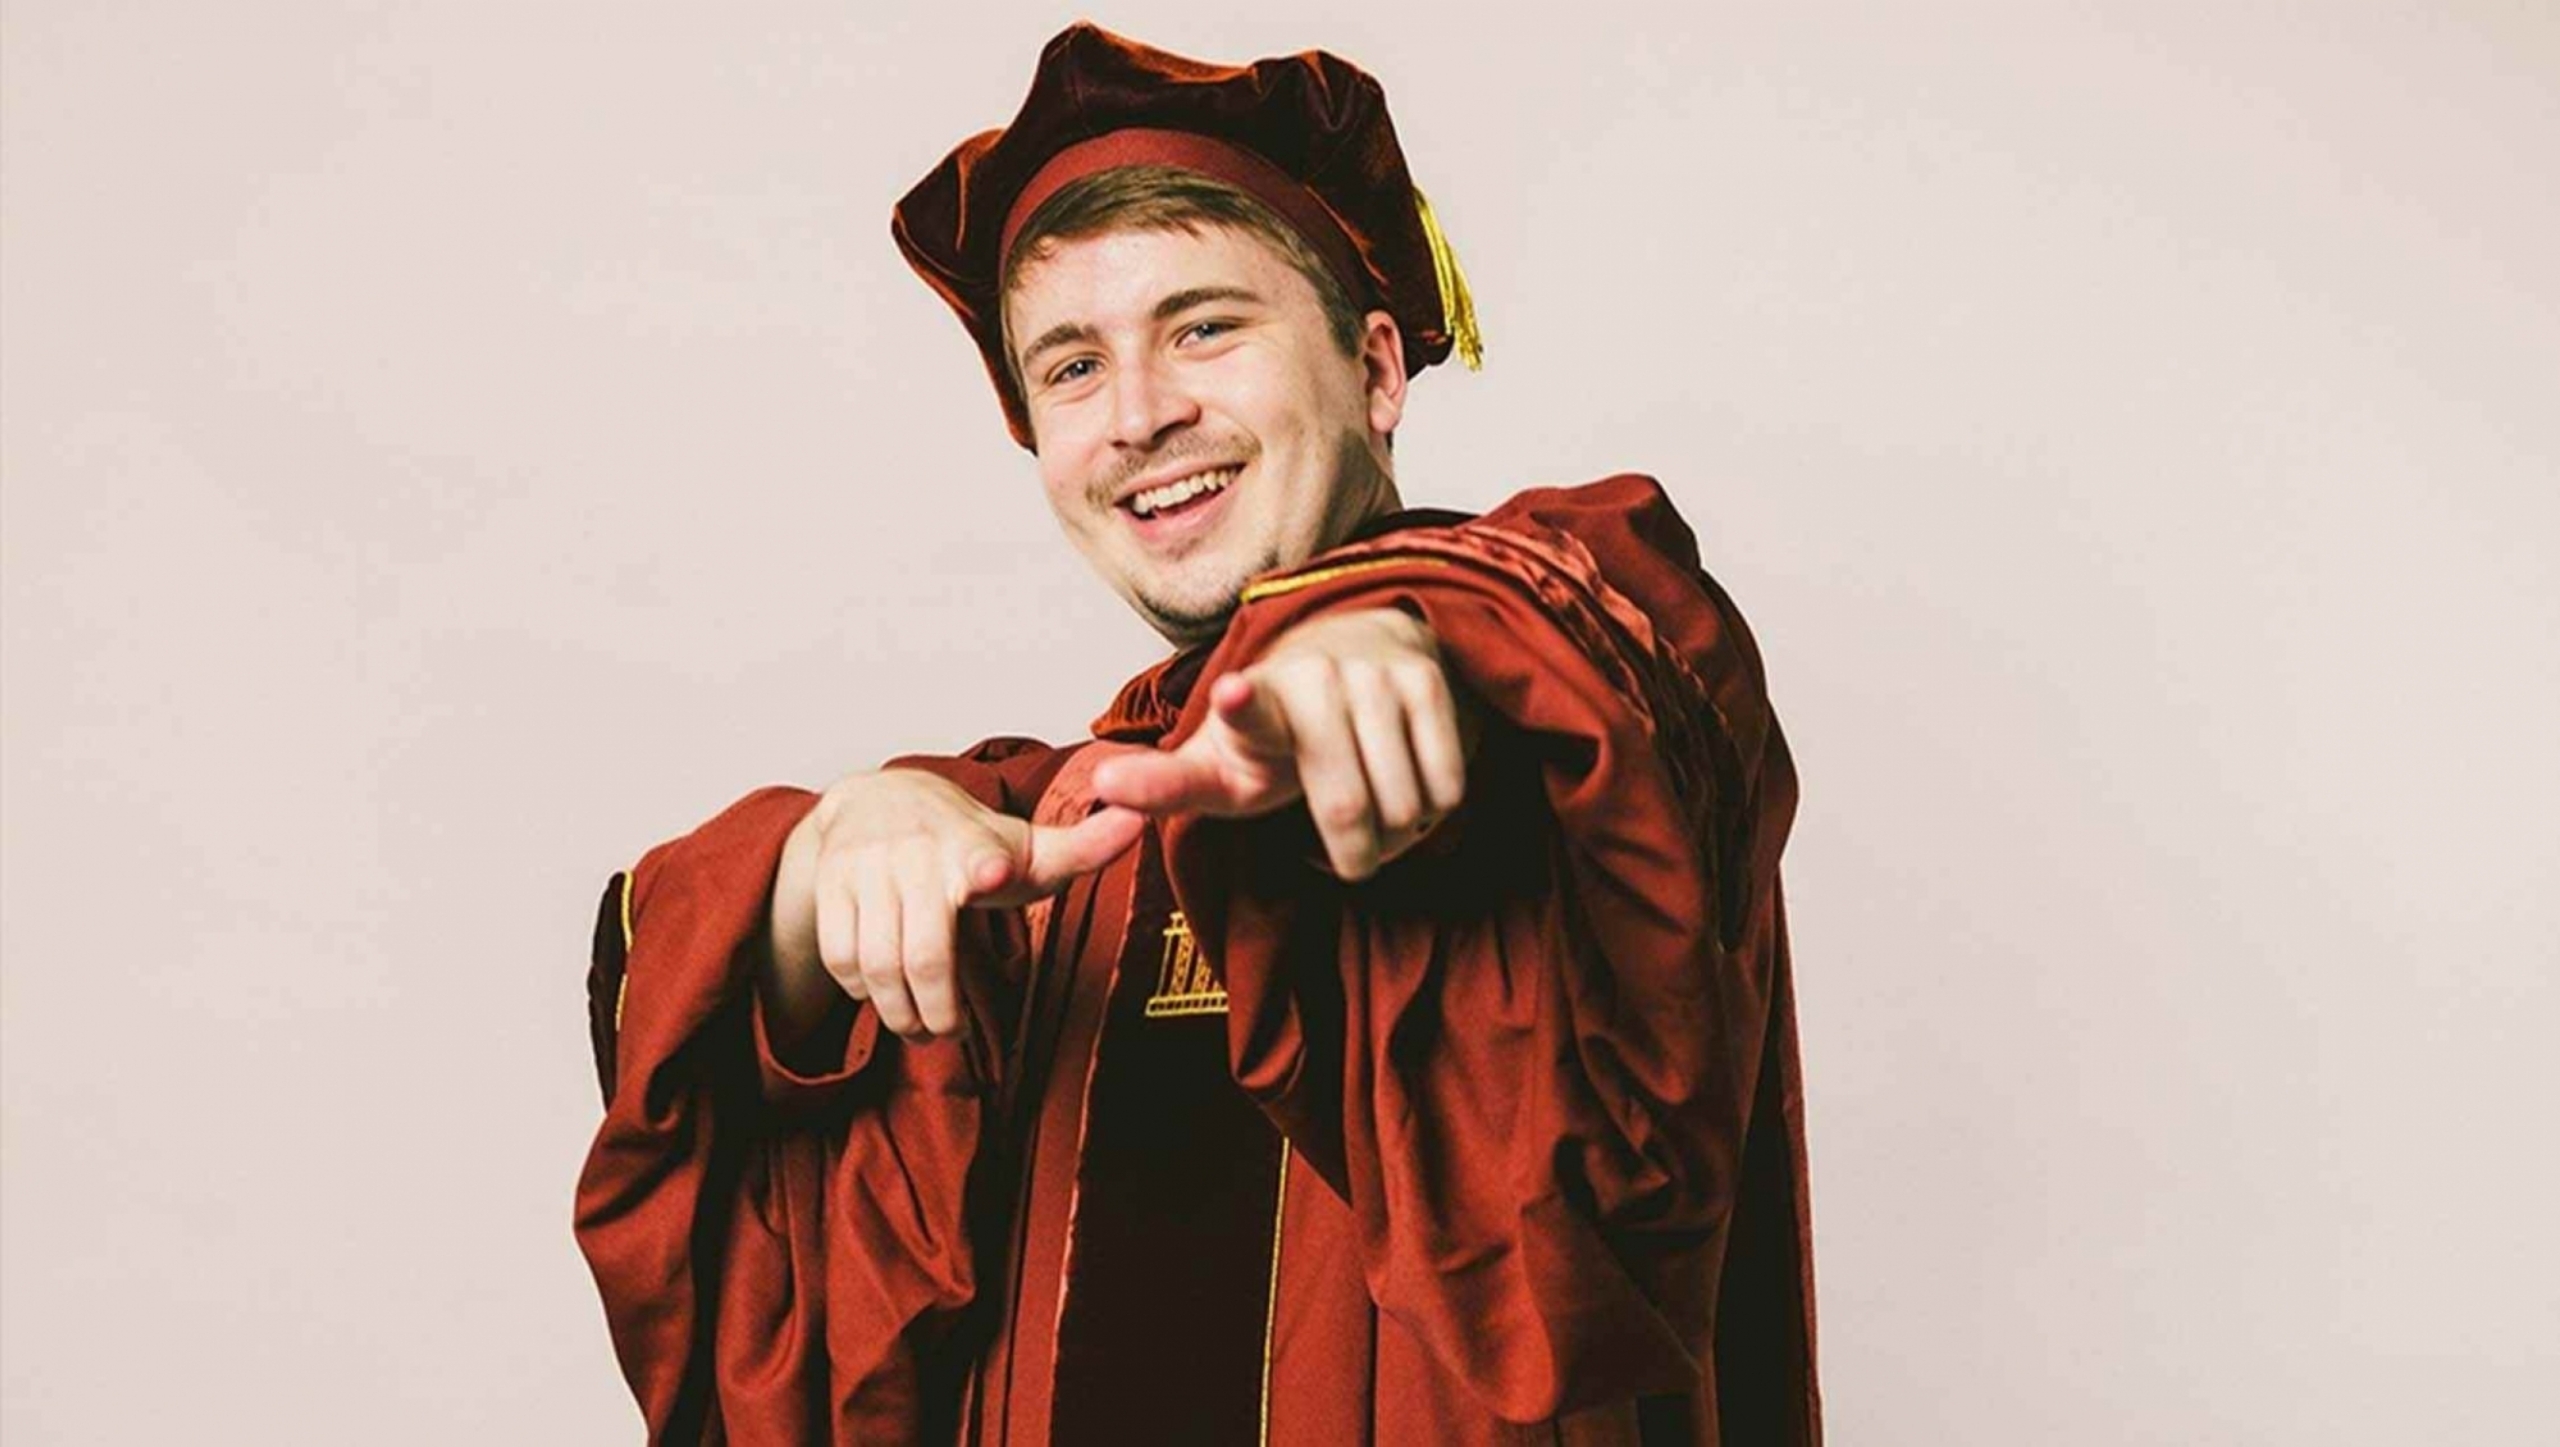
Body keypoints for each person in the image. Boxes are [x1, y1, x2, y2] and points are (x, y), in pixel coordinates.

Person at [575, 23, 1818, 1445]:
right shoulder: (1042, 855)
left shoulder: (1563, 695)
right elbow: (775, 1276)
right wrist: (823, 865)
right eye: (1072, 369)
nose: (1143, 416)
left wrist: (1393, 640)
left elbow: (1611, 645)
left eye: (1205, 327)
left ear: (1375, 372)